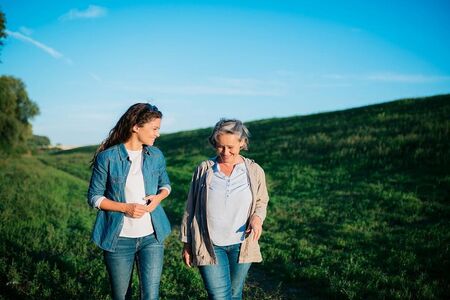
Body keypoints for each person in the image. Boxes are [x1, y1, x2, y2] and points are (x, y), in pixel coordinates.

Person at [87, 103, 171, 300]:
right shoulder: (107, 158)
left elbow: (165, 184)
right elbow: (94, 197)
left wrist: (158, 198)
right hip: (119, 240)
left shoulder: (156, 155)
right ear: (136, 126)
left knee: (151, 295)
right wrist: (126, 208)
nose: (157, 134)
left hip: (151, 237)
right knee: (122, 296)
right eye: (154, 128)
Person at [180, 119, 269, 300]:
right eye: (220, 147)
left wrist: (257, 218)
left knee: (235, 294)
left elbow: (261, 200)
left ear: (242, 143)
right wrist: (187, 243)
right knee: (219, 296)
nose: (225, 152)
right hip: (209, 244)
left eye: (230, 147)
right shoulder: (204, 170)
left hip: (242, 243)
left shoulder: (254, 170)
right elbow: (190, 208)